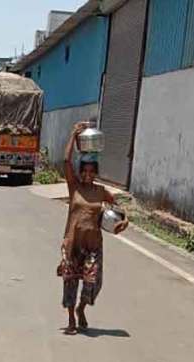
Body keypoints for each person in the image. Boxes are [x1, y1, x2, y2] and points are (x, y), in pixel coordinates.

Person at [58, 122, 128, 335]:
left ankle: (81, 308)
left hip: (93, 245)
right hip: (73, 244)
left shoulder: (101, 192)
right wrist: (73, 134)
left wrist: (124, 221)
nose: (87, 174)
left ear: (96, 173)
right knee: (70, 282)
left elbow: (119, 209)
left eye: (91, 171)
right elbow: (66, 160)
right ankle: (71, 319)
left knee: (91, 282)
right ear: (80, 172)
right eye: (84, 170)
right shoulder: (74, 187)